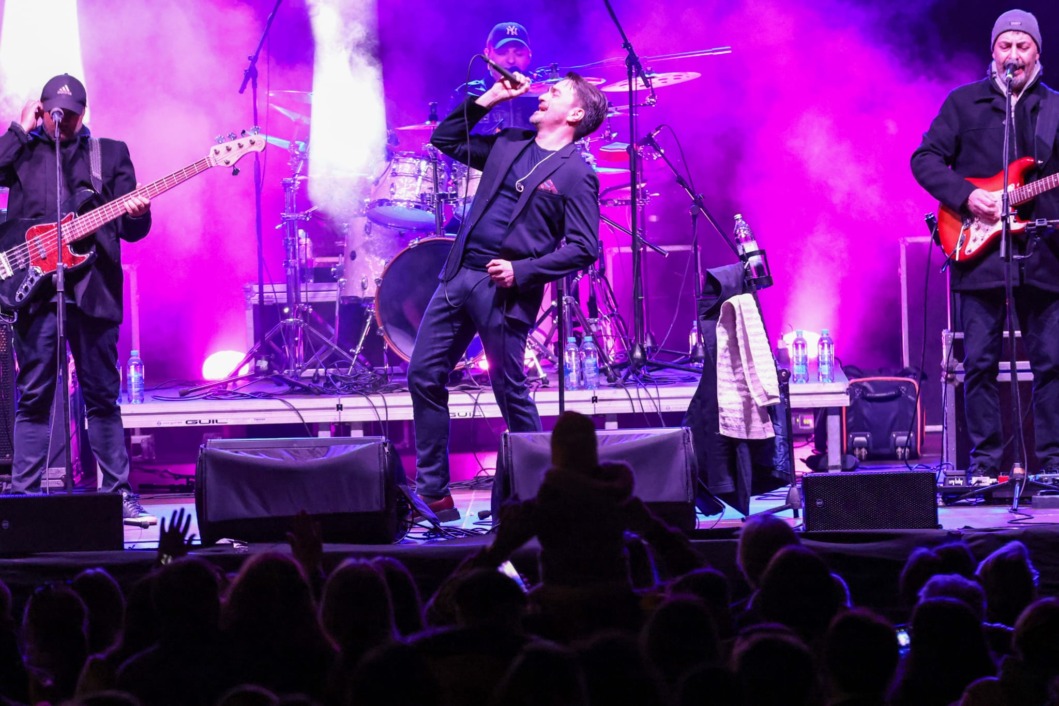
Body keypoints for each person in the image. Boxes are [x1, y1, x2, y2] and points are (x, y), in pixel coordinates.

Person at [410, 68, 609, 520]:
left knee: (509, 390)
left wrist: (522, 271)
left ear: (575, 114)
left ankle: (534, 495)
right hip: (459, 275)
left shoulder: (576, 173)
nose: (543, 95)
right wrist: (493, 96)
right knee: (423, 376)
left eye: (555, 92)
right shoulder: (510, 143)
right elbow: (445, 139)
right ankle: (434, 493)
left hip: (505, 291)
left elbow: (584, 247)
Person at [911, 9, 1059, 479]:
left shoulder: (1054, 108)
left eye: (1023, 46)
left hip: (1043, 254)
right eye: (1005, 45)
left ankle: (1053, 465)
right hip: (978, 254)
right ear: (993, 51)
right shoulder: (964, 103)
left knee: (1052, 363)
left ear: (1037, 52)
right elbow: (924, 159)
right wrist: (967, 196)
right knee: (978, 364)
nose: (1013, 54)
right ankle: (985, 465)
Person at [0, 74, 154, 522]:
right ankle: (24, 501)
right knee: (34, 396)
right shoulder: (23, 151)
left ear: (83, 115)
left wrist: (139, 214)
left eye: (69, 115)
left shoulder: (110, 154)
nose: (61, 121)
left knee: (102, 396)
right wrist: (18, 129)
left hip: (94, 293)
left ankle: (119, 495)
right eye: (53, 113)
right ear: (42, 110)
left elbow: (132, 230)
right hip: (36, 293)